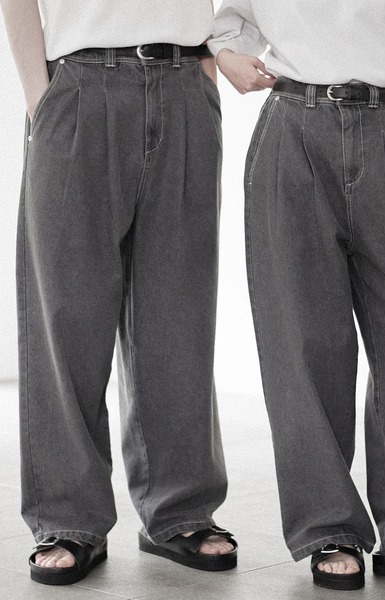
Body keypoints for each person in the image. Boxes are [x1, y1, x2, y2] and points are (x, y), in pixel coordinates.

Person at [209, 0, 385, 591]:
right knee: (304, 339)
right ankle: (328, 529)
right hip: (293, 123)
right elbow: (234, 15)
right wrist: (227, 51)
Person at [0, 0, 237, 586]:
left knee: (179, 312)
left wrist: (208, 62)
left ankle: (180, 511)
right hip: (77, 83)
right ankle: (67, 517)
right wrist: (38, 94)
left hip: (184, 82)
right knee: (66, 314)